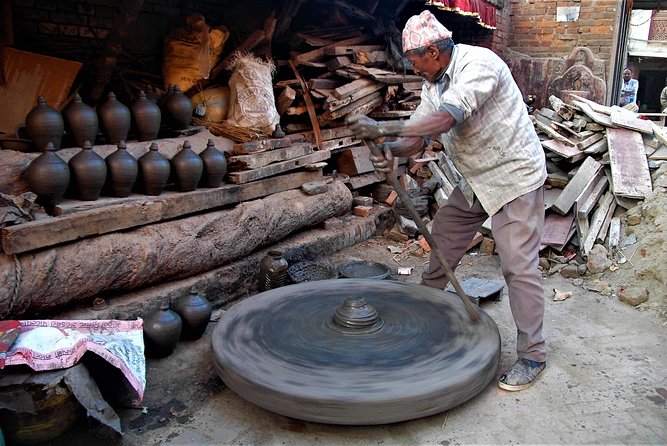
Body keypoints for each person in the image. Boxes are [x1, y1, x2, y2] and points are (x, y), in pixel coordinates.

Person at [346, 10, 547, 392]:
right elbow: (417, 138)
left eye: (416, 61)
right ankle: (426, 303)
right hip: (476, 175)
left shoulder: (480, 65)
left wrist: (385, 126)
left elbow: (444, 120)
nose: (413, 68)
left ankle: (533, 355)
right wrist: (389, 145)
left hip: (513, 175)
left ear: (435, 52)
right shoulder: (433, 82)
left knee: (518, 266)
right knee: (446, 232)